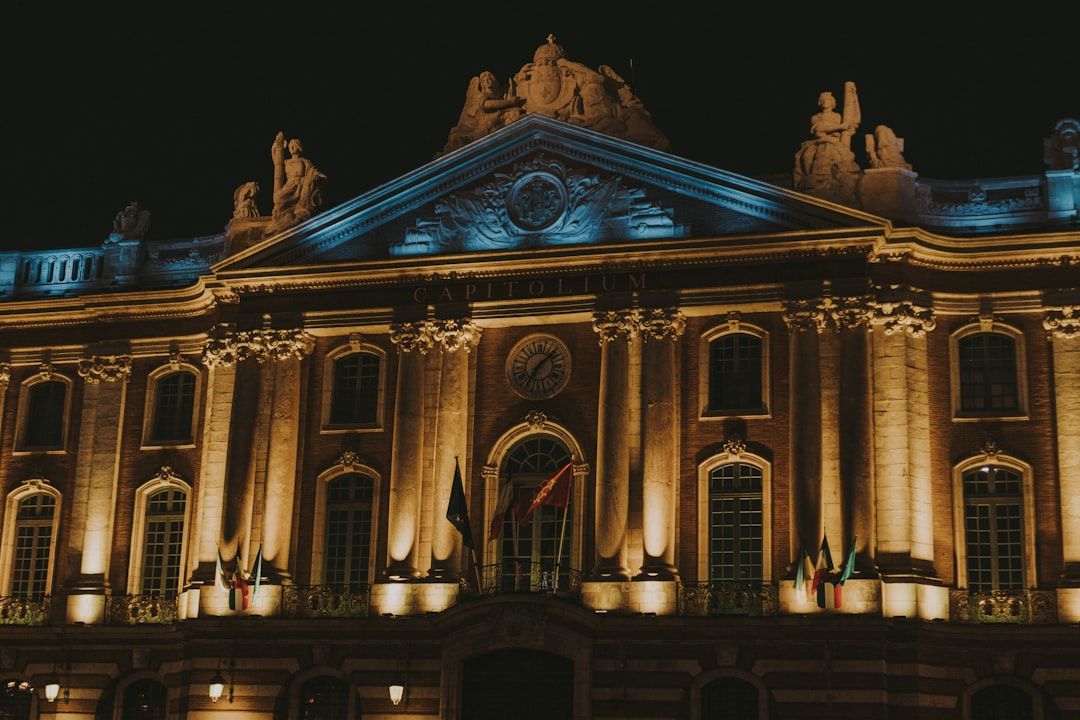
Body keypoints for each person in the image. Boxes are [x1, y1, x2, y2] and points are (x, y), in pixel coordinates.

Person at [442, 71, 525, 154]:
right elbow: (486, 105)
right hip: (477, 123)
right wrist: (509, 102)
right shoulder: (483, 94)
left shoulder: (498, 95)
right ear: (481, 85)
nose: (488, 80)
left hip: (494, 116)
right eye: (484, 79)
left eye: (490, 77)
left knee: (513, 113)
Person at [266, 134, 326, 235]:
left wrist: (318, 177)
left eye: (294, 145)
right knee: (278, 199)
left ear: (299, 147)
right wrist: (277, 144)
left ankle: (299, 215)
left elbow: (313, 171)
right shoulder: (286, 162)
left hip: (302, 186)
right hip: (289, 187)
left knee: (304, 200)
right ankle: (283, 219)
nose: (292, 148)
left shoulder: (305, 161)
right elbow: (275, 159)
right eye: (290, 146)